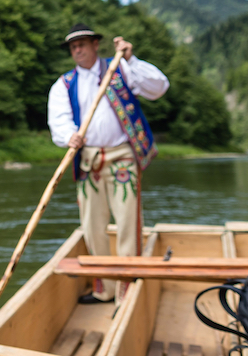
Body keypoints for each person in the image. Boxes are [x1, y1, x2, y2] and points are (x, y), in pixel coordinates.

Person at [46, 23, 169, 304]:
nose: (77, 49)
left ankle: (127, 288)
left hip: (122, 155)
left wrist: (130, 59)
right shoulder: (64, 84)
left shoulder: (118, 69)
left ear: (95, 45)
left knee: (127, 222)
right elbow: (59, 121)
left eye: (82, 44)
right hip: (89, 159)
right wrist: (70, 136)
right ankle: (105, 289)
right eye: (73, 46)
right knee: (92, 224)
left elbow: (158, 87)